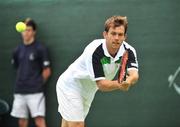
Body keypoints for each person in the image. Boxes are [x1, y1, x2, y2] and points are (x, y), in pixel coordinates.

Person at [56, 15, 139, 127]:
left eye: (120, 35)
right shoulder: (94, 51)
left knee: (68, 124)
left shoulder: (129, 51)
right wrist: (119, 84)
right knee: (77, 124)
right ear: (105, 34)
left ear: (125, 37)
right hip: (71, 84)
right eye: (113, 33)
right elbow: (102, 85)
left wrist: (128, 81)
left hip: (89, 90)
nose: (116, 38)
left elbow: (134, 74)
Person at [11, 18, 51, 127]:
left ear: (34, 31)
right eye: (24, 30)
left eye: (28, 30)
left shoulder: (40, 48)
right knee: (22, 122)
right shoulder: (17, 50)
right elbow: (17, 67)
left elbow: (47, 71)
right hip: (19, 91)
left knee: (39, 121)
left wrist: (37, 84)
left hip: (35, 92)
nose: (26, 32)